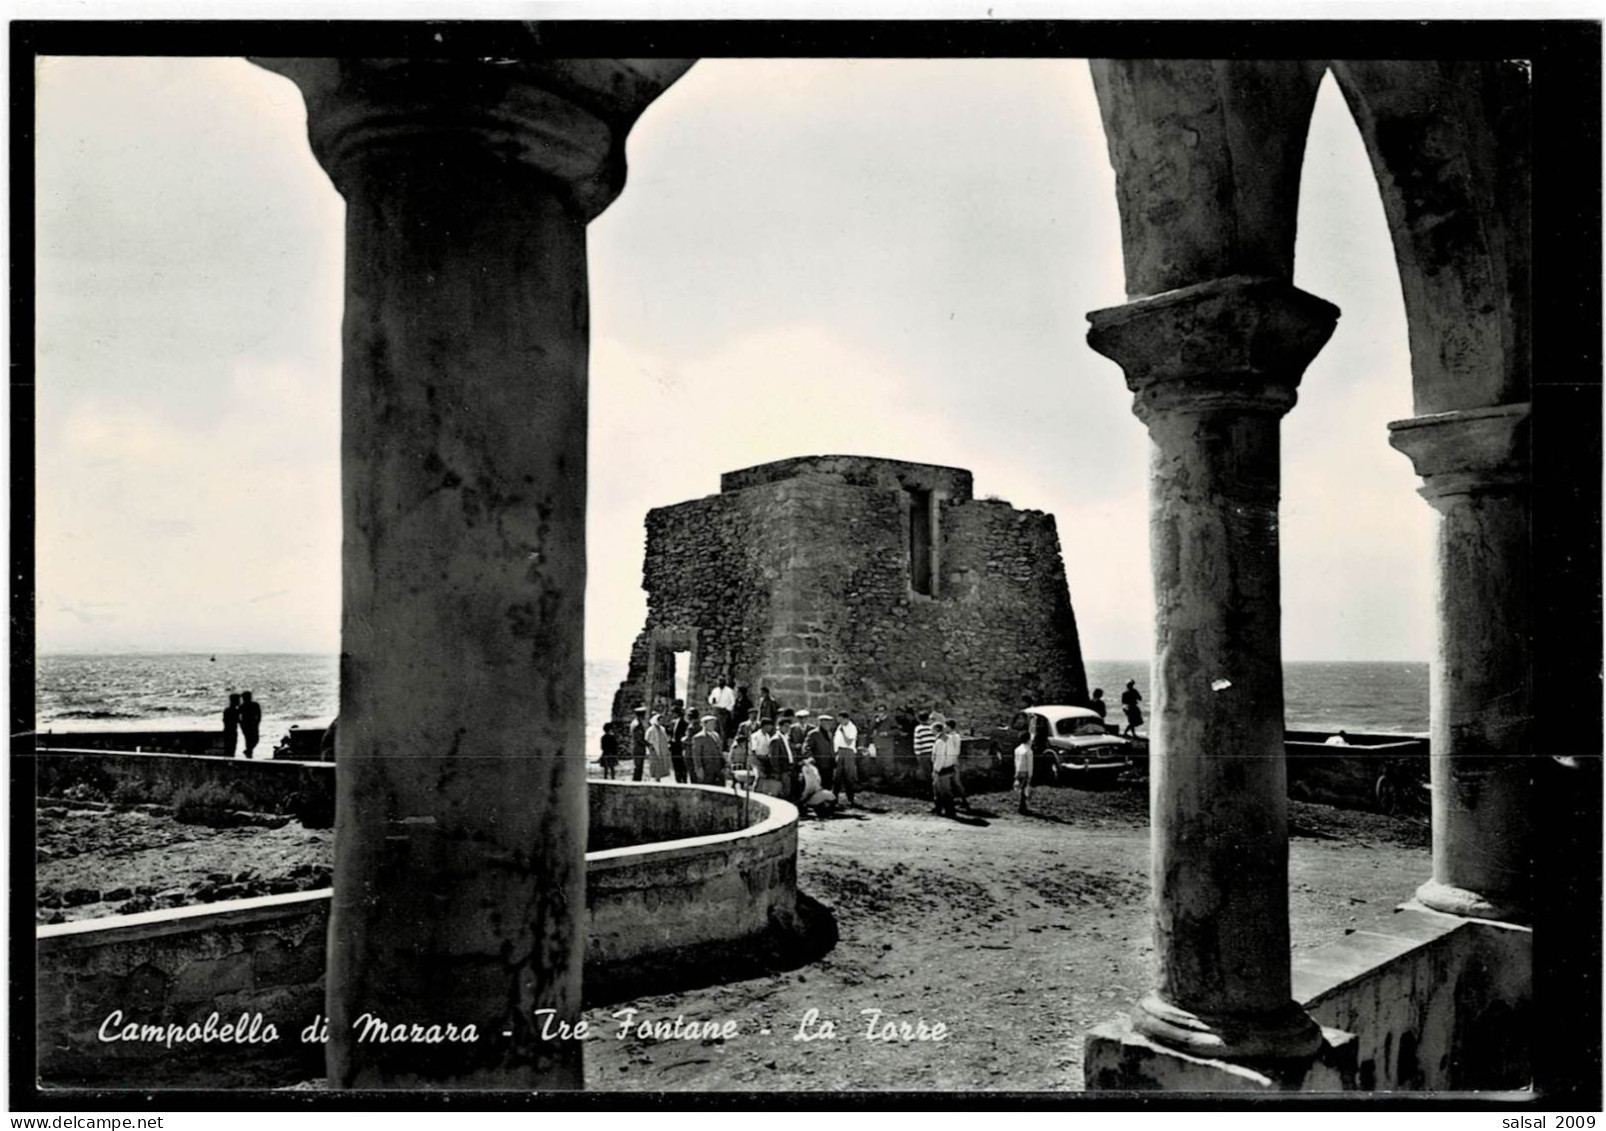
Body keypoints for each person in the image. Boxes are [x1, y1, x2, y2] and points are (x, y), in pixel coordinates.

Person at [930, 714, 963, 817]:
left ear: (936, 730)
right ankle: (939, 808)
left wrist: (936, 770)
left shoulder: (940, 742)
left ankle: (950, 811)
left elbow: (940, 757)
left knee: (945, 791)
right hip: (949, 766)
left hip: (942, 769)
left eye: (932, 730)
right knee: (939, 790)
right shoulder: (947, 739)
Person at [833, 710, 860, 807]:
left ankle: (851, 799)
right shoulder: (840, 727)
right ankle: (834, 798)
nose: (839, 721)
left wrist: (843, 732)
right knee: (837, 776)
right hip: (840, 752)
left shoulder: (852, 728)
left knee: (849, 776)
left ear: (846, 719)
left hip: (848, 752)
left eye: (841, 719)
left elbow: (848, 741)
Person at [690, 714, 726, 785]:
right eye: (711, 723)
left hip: (718, 768)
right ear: (705, 724)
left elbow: (719, 751)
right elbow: (696, 755)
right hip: (707, 769)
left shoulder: (716, 735)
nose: (713, 725)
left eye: (714, 723)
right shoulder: (698, 737)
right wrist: (699, 769)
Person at [752, 717, 783, 796]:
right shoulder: (755, 736)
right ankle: (754, 793)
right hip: (756, 759)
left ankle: (762, 793)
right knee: (759, 776)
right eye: (770, 726)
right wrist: (761, 758)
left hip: (765, 759)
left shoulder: (768, 736)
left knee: (766, 778)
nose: (771, 728)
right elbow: (754, 750)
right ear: (765, 726)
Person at [806, 714, 837, 793]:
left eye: (829, 722)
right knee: (820, 784)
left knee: (829, 783)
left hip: (829, 763)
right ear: (821, 722)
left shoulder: (830, 733)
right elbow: (807, 747)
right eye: (826, 722)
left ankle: (827, 800)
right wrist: (811, 757)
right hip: (819, 764)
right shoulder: (813, 734)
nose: (829, 724)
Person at [913, 711, 937, 790]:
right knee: (934, 771)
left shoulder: (919, 729)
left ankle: (928, 789)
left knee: (926, 773)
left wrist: (917, 754)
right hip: (934, 753)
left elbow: (917, 742)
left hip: (924, 753)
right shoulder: (933, 727)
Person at [645, 713, 672, 781]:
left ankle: (659, 778)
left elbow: (665, 739)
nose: (661, 722)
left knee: (661, 765)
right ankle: (655, 778)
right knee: (655, 765)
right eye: (659, 720)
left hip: (662, 750)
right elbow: (648, 740)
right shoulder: (651, 730)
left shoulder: (662, 729)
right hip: (654, 750)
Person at [1013, 731, 1034, 815]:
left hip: (1018, 770)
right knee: (1024, 789)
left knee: (1020, 788)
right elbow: (1030, 764)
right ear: (1028, 739)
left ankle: (1021, 806)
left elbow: (1016, 761)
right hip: (1025, 771)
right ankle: (1022, 807)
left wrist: (1016, 772)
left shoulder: (1017, 749)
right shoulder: (1028, 751)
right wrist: (1030, 774)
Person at [669, 704, 691, 784]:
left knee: (681, 764)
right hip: (674, 746)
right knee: (675, 764)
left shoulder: (684, 723)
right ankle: (678, 779)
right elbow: (671, 733)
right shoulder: (673, 722)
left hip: (680, 746)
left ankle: (683, 779)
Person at [240, 691, 262, 759]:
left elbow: (259, 714)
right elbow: (259, 714)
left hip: (251, 724)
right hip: (249, 724)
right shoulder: (243, 706)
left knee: (253, 739)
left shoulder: (245, 706)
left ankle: (248, 751)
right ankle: (249, 753)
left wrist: (257, 722)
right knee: (250, 740)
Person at [630, 707, 648, 781]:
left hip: (636, 747)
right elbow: (640, 739)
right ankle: (636, 783)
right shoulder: (637, 725)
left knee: (638, 767)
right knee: (638, 767)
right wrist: (648, 744)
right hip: (638, 748)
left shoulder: (634, 723)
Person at [222, 693, 241, 758]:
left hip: (227, 731)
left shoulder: (227, 710)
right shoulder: (235, 711)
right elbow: (238, 721)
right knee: (231, 748)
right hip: (232, 731)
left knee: (228, 749)